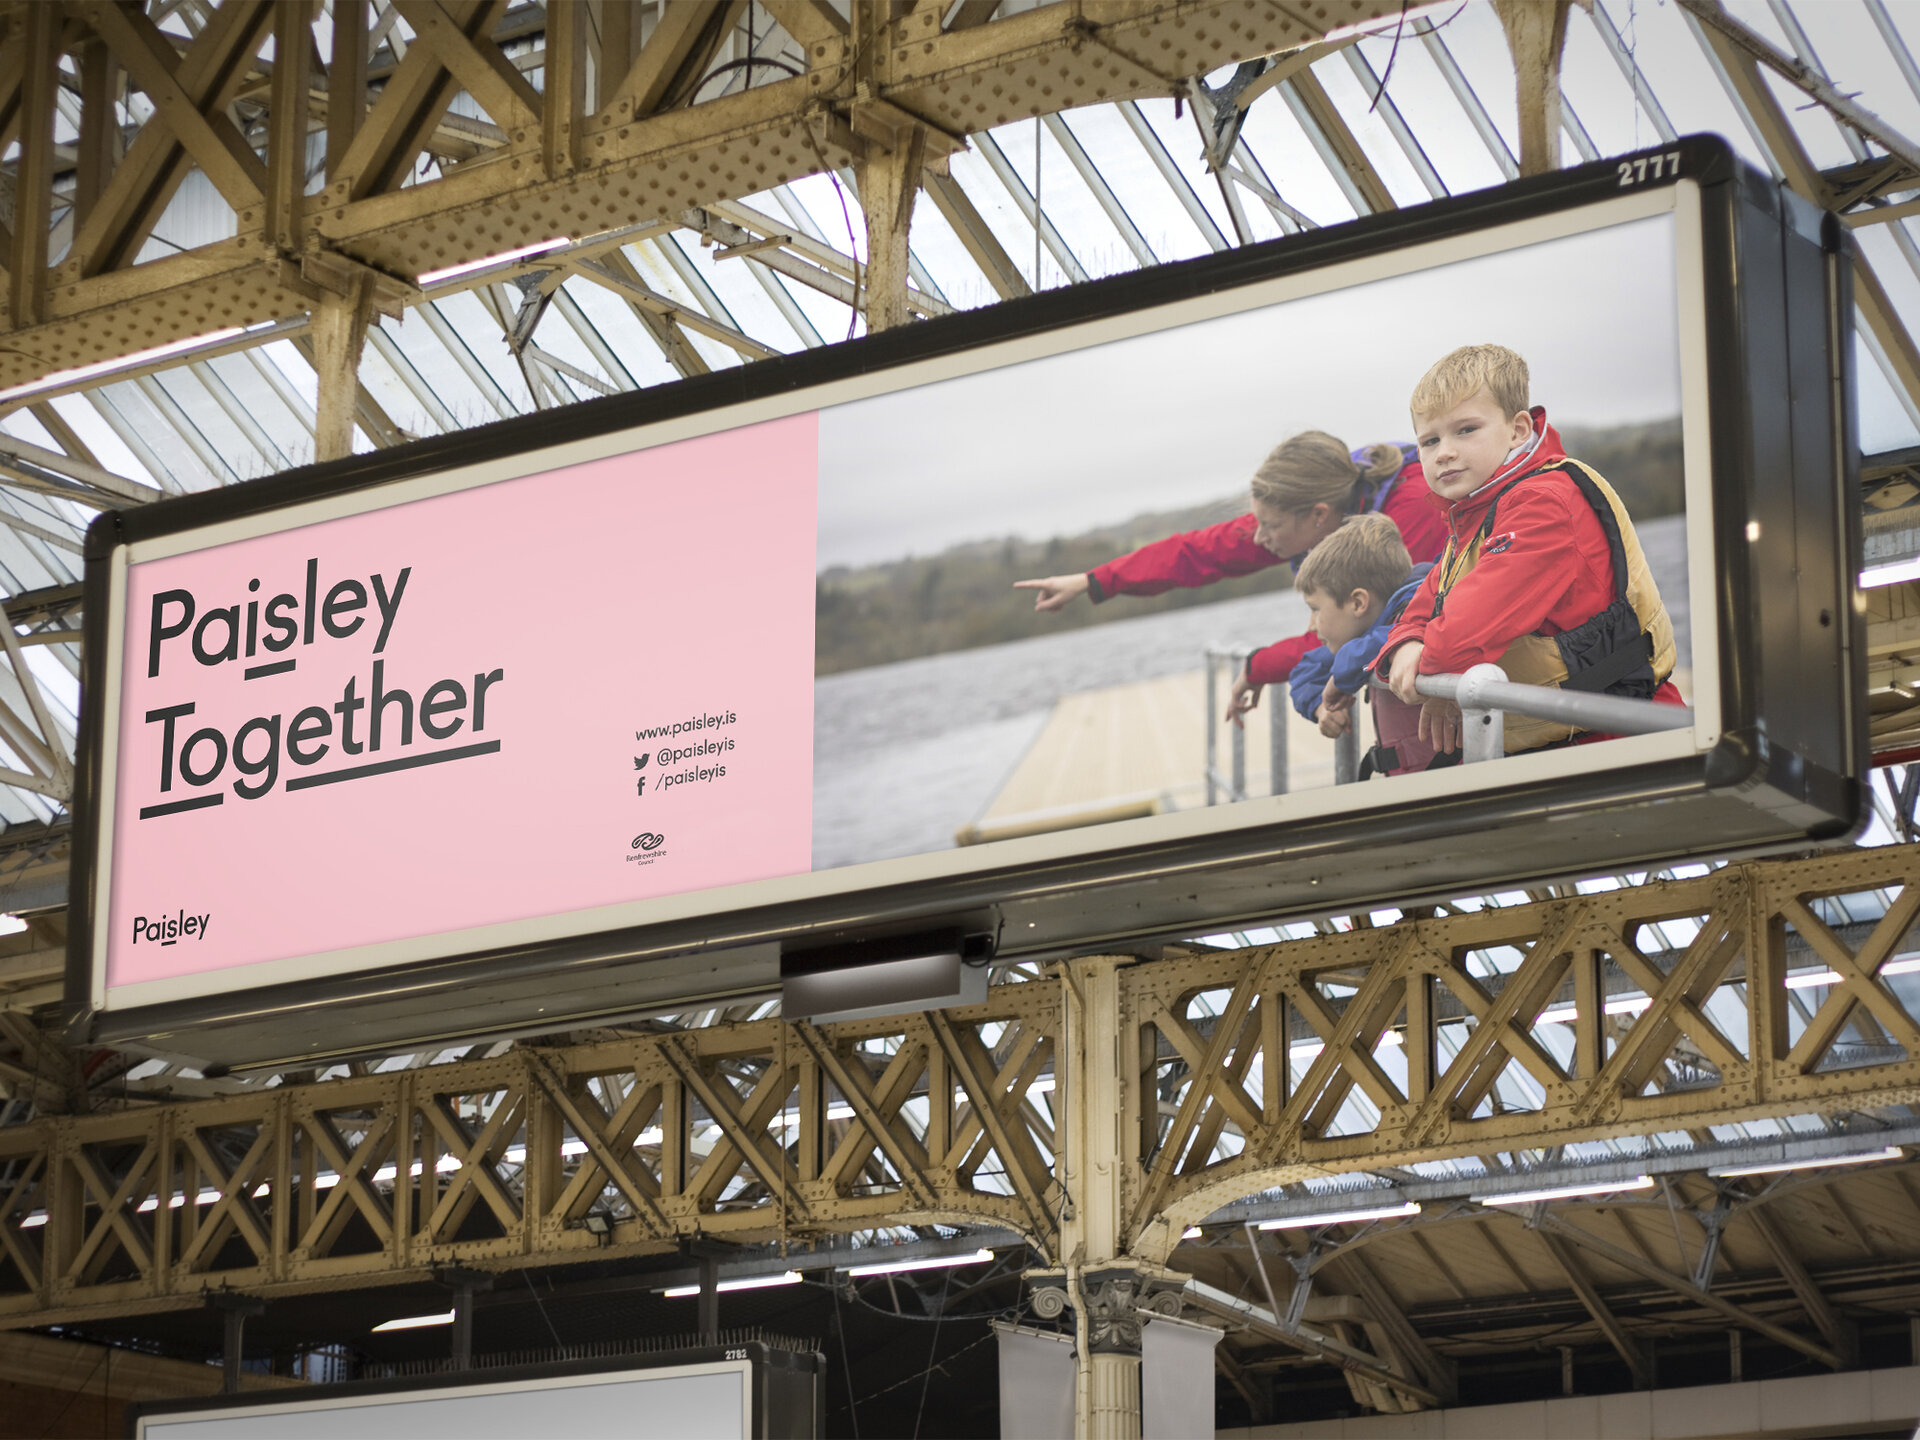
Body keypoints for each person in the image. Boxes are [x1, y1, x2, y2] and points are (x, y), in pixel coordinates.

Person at [1377, 343, 1682, 757]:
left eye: (1466, 430)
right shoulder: (1471, 522)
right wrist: (1408, 644)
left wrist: (1427, 658)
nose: (1444, 451)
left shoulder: (1543, 505)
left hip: (1613, 742)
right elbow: (1417, 610)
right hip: (1556, 743)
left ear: (1518, 430)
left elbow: (1457, 640)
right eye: (1429, 441)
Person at [1013, 432, 1447, 718]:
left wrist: (1258, 666)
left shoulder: (1413, 513)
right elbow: (1197, 554)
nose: (1259, 538)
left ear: (1318, 517)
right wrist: (1092, 581)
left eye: (1269, 526)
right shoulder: (1307, 507)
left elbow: (1368, 628)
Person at [1283, 515, 1433, 766]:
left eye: (1316, 609)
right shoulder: (1359, 638)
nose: (1311, 625)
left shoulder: (1420, 611)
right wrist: (1320, 706)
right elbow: (1306, 669)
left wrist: (1345, 674)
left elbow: (1386, 642)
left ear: (1358, 603)